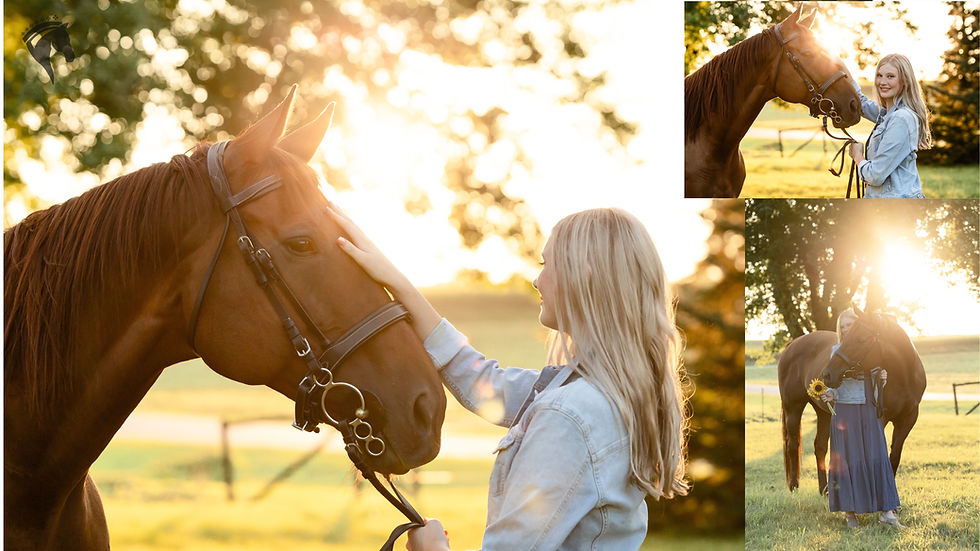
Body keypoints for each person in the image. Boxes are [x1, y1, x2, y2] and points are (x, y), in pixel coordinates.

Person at [326, 204, 690, 550]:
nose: (537, 279)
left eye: (547, 264)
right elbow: (483, 381)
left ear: (585, 273)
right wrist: (397, 283)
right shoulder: (599, 394)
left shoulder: (571, 414)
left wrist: (433, 548)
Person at [821, 308, 904, 530]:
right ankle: (850, 513)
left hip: (868, 407)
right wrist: (829, 393)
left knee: (877, 456)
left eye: (851, 325)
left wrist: (882, 378)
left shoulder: (868, 348)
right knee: (848, 460)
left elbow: (874, 379)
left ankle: (887, 512)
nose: (847, 330)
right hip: (846, 411)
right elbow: (832, 383)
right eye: (843, 327)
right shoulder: (836, 351)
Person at [846, 53, 933, 198]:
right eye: (879, 75)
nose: (882, 82)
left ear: (904, 81)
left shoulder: (901, 118)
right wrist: (841, 68)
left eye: (890, 76)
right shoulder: (887, 113)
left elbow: (875, 175)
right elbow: (861, 103)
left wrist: (858, 156)